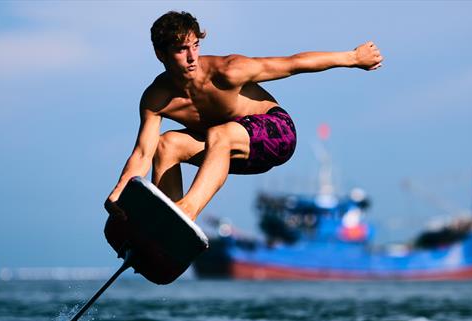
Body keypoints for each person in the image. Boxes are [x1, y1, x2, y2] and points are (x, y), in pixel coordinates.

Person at [105, 11, 383, 222]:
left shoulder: (228, 70)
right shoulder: (156, 98)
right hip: (225, 151)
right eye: (180, 50)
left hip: (277, 134)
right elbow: (142, 154)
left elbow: (293, 63)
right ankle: (165, 225)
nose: (192, 57)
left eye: (195, 46)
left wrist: (353, 57)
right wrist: (118, 194)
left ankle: (185, 211)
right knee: (166, 145)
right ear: (160, 54)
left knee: (220, 134)